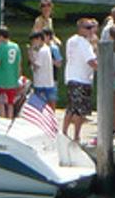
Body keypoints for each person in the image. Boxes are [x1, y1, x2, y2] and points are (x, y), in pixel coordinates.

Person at [63, 18, 98, 146]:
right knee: (79, 110)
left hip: (72, 77)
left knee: (71, 108)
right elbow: (91, 62)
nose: (90, 30)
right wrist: (105, 69)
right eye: (87, 28)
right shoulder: (84, 43)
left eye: (91, 27)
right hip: (82, 79)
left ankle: (64, 133)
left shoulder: (71, 40)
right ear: (80, 29)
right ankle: (76, 136)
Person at [0, 26, 24, 116]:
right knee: (10, 102)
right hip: (13, 79)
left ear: (1, 37)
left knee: (1, 102)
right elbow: (19, 64)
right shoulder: (16, 46)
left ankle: (3, 117)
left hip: (2, 79)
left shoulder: (1, 47)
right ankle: (10, 117)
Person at [28, 30, 57, 108]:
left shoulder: (42, 51)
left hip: (41, 83)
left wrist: (30, 56)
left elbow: (37, 66)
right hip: (48, 82)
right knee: (50, 102)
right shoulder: (46, 49)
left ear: (39, 39)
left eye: (34, 41)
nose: (33, 43)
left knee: (40, 104)